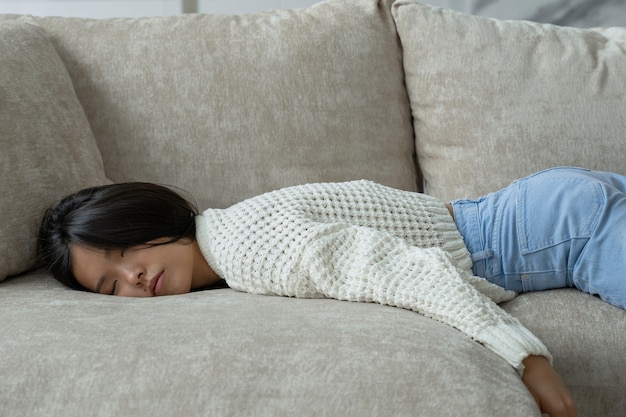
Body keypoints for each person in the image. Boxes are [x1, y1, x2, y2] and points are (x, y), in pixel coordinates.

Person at [39, 166, 626, 417]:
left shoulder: (247, 248)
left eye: (125, 255)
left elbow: (398, 269)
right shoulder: (231, 235)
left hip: (548, 233)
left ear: (146, 221)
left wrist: (525, 358)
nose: (135, 280)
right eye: (111, 289)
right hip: (547, 206)